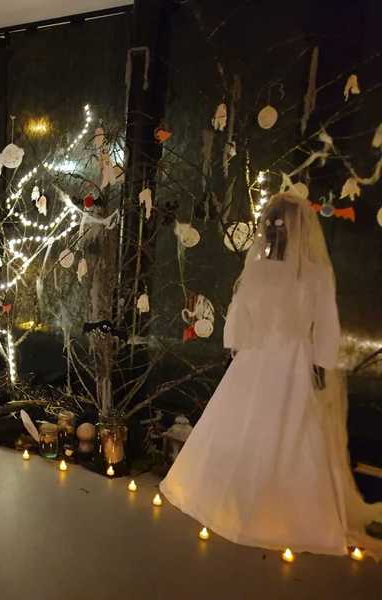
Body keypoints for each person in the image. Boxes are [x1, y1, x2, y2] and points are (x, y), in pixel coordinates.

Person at [160, 192, 381, 559]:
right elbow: (326, 323)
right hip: (292, 361)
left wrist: (239, 345)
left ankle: (238, 503)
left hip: (255, 359)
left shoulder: (259, 269)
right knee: (291, 431)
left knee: (249, 426)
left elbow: (239, 317)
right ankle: (282, 513)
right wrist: (322, 361)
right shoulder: (316, 274)